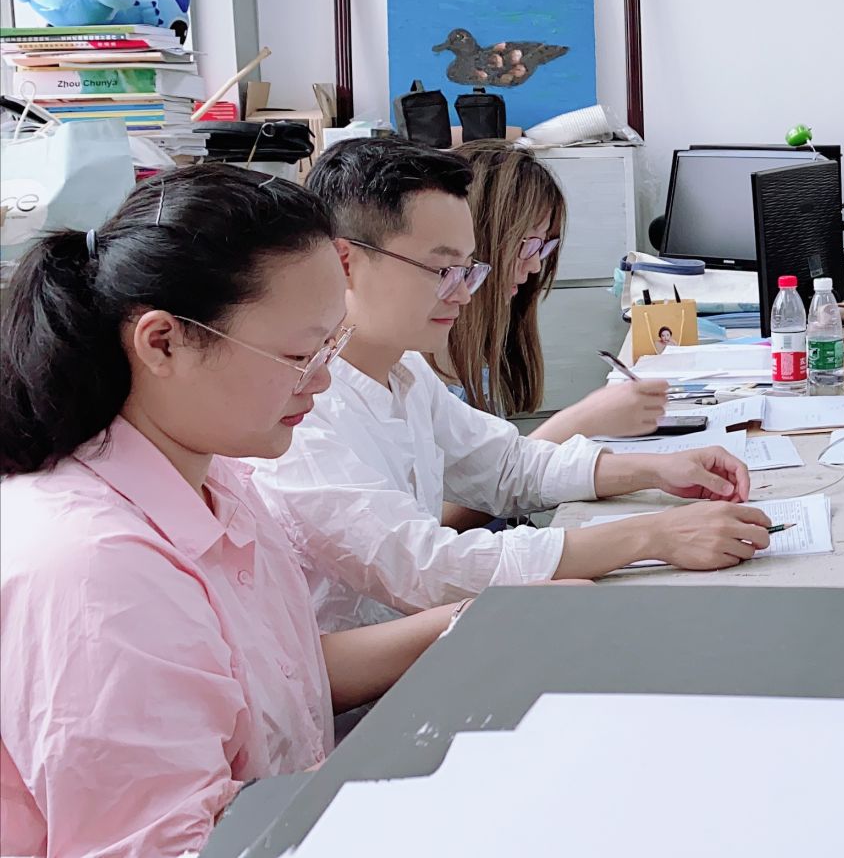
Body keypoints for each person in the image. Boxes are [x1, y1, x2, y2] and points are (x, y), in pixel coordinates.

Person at [0, 166, 470, 856]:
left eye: (332, 345)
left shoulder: (217, 478)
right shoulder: (98, 570)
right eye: (300, 353)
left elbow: (271, 677)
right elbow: (166, 845)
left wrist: (467, 627)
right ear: (163, 342)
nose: (323, 378)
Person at [248, 138, 774, 635]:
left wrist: (658, 470)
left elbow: (507, 467)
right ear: (346, 262)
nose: (462, 293)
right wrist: (651, 536)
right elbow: (430, 570)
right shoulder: (300, 415)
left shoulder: (404, 372)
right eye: (442, 270)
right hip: (378, 689)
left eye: (468, 270)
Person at [434, 140, 668, 443]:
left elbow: (500, 462)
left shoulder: (471, 349)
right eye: (527, 244)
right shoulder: (419, 365)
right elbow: (499, 471)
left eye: (543, 246)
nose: (535, 265)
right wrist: (584, 420)